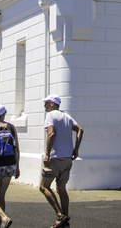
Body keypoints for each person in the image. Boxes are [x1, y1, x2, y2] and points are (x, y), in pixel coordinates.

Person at [39, 94, 83, 228]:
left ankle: (60, 215)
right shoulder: (67, 116)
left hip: (55, 158)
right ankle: (65, 222)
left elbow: (51, 134)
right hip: (67, 159)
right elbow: (80, 129)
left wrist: (47, 154)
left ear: (52, 103)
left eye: (47, 103)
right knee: (61, 189)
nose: (45, 105)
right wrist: (76, 149)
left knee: (43, 186)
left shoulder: (51, 116)